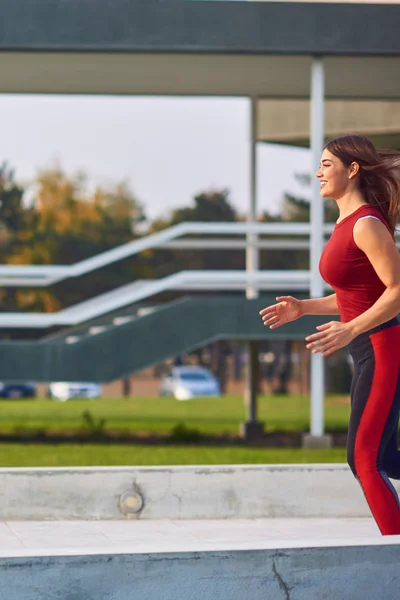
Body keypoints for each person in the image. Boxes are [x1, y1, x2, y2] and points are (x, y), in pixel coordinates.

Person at [259, 134, 400, 536]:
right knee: (384, 459)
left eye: (326, 164)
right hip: (369, 349)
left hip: (382, 347)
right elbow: (354, 296)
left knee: (364, 459)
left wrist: (352, 328)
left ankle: (394, 558)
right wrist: (303, 307)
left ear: (352, 170)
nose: (317, 172)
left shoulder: (367, 224)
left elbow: (397, 291)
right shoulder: (347, 224)